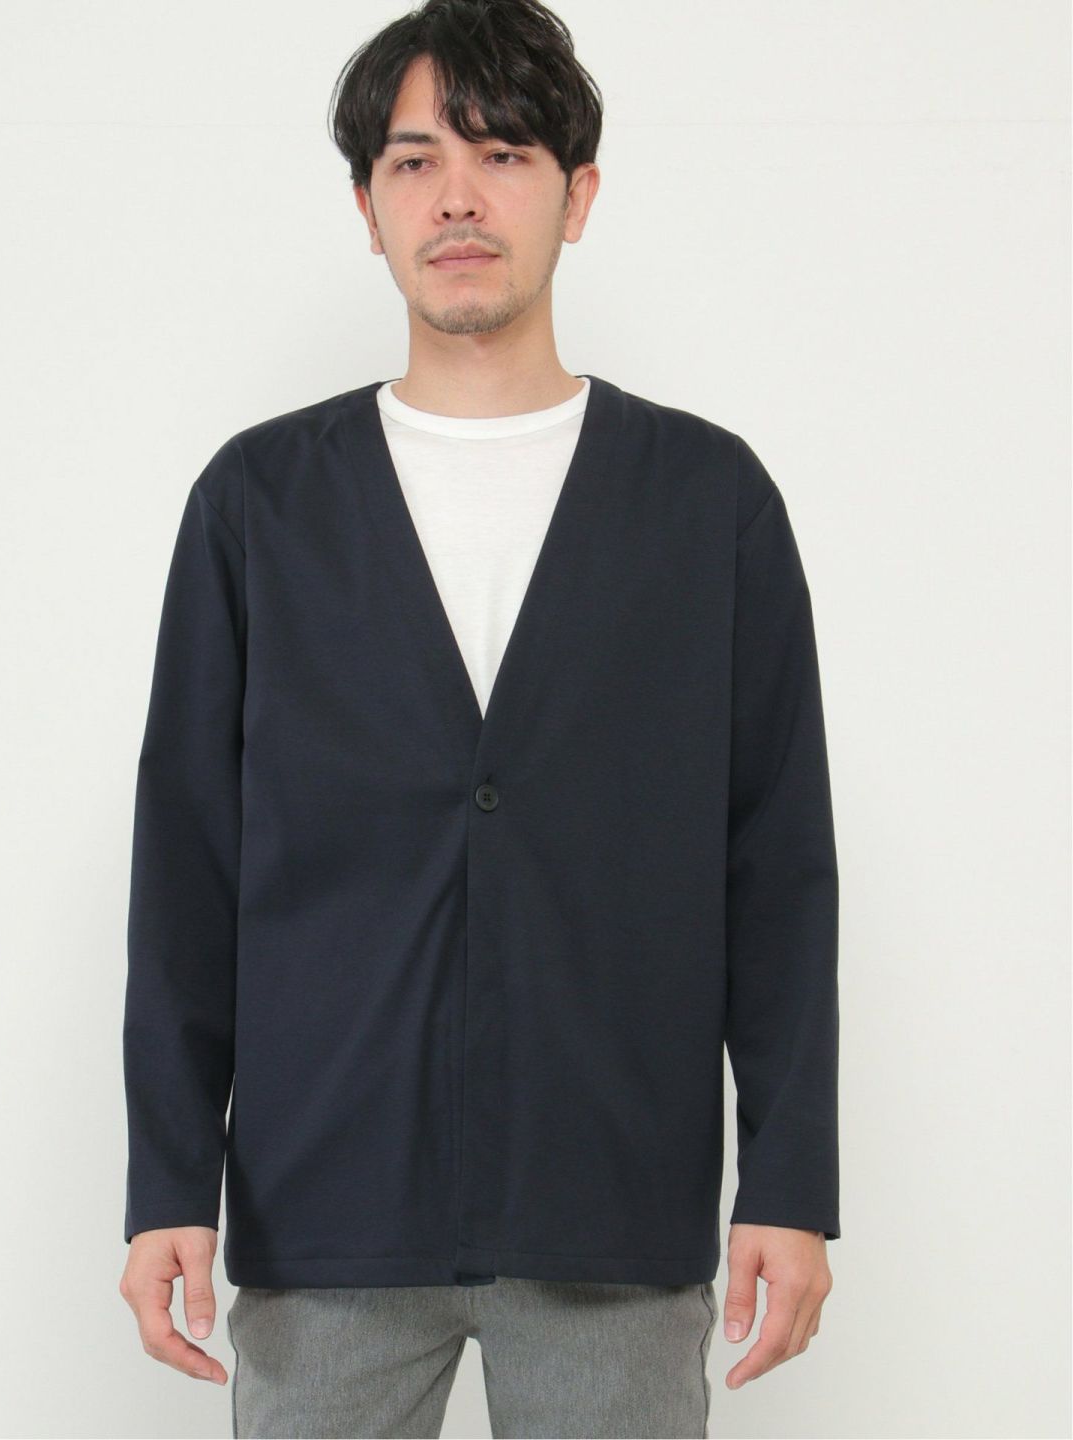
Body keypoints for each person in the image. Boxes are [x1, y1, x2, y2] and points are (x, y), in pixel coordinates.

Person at [117, 1, 841, 1435]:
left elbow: (776, 864)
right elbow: (188, 861)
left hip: (612, 1209)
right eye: (413, 161)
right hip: (325, 1206)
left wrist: (792, 1181)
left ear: (578, 194)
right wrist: (165, 1183)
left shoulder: (709, 504)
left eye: (503, 154)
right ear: (367, 208)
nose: (457, 197)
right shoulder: (260, 505)